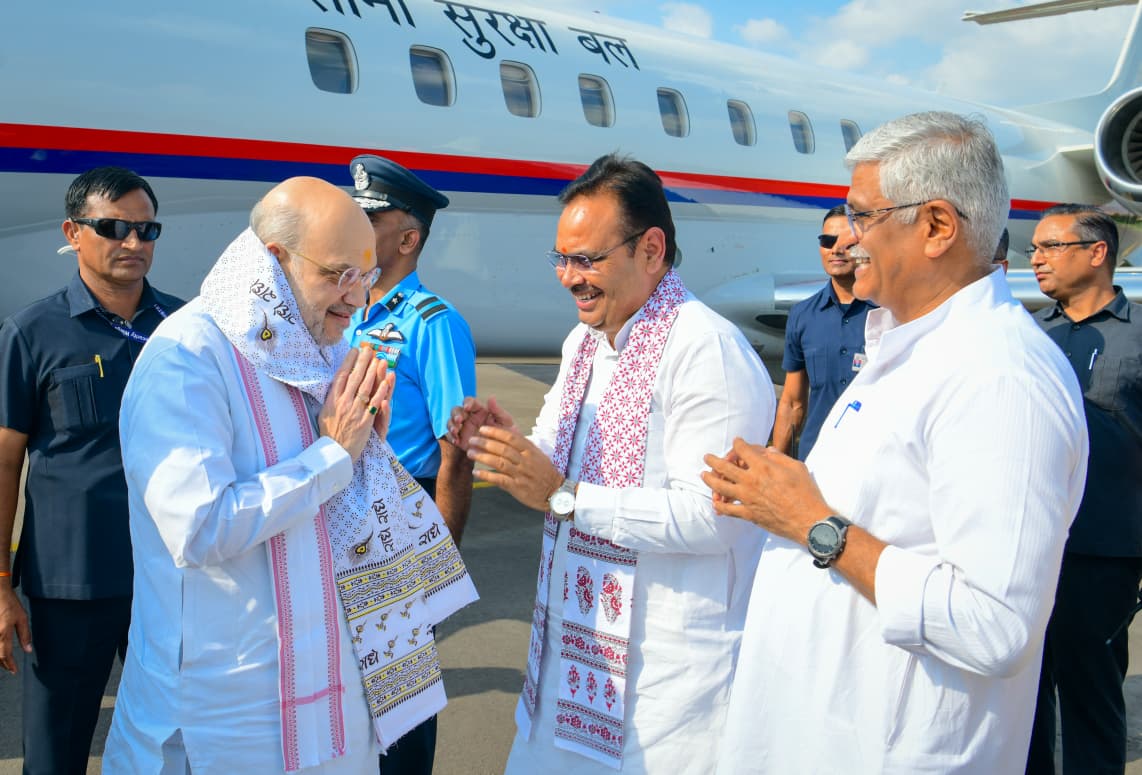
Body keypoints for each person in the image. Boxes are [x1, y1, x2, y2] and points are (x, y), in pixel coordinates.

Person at [704, 111, 1088, 773]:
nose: (845, 239)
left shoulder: (1000, 378)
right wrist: (777, 499)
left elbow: (994, 624)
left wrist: (813, 523)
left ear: (937, 226)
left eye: (861, 217)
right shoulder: (909, 346)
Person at [102, 177, 477, 773]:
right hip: (227, 721)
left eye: (363, 274)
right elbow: (199, 528)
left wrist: (366, 456)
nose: (357, 299)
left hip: (329, 709)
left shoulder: (318, 346)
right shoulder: (188, 358)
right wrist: (332, 459)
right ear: (275, 260)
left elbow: (339, 500)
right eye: (337, 275)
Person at [448, 153, 774, 772]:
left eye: (588, 259)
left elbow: (716, 517)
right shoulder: (584, 343)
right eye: (562, 260)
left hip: (666, 692)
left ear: (651, 249)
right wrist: (507, 446)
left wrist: (567, 497)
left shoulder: (706, 351)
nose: (570, 278)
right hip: (574, 663)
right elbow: (553, 462)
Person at [0, 166, 183, 774]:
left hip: (171, 579)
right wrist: (0, 585)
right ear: (73, 233)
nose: (133, 243)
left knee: (177, 745)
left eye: (145, 228)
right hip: (71, 583)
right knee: (56, 753)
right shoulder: (32, 333)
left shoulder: (185, 331)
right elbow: (4, 462)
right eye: (113, 228)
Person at [344, 154, 477, 774]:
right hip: (342, 506)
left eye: (368, 215)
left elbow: (457, 444)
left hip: (404, 511)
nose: (353, 223)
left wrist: (441, 546)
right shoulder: (346, 314)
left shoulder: (433, 324)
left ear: (407, 237)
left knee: (400, 690)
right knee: (345, 679)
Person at [1025, 204, 1142, 775]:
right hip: (1031, 546)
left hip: (1104, 551)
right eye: (1034, 249)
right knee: (1023, 704)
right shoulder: (1028, 336)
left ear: (1097, 253)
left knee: (1091, 700)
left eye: (1050, 247)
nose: (1036, 259)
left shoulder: (1139, 335)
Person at [772, 205, 876, 460]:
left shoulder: (890, 314)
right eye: (828, 241)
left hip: (872, 459)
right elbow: (792, 402)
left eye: (846, 242)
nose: (836, 249)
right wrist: (777, 462)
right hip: (817, 460)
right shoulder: (803, 316)